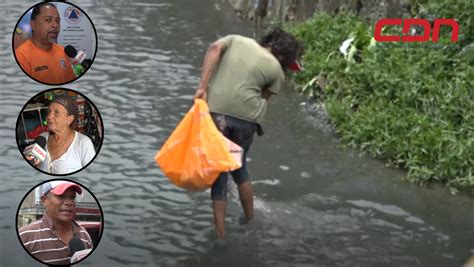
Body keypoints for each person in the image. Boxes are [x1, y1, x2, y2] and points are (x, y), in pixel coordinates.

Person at [194, 28, 303, 240]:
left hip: (219, 115)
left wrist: (202, 87)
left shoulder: (235, 40)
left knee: (219, 172)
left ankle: (220, 234)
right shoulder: (278, 73)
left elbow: (215, 48)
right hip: (247, 122)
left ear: (269, 41)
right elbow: (261, 98)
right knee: (239, 166)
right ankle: (250, 219)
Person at [18, 181, 93, 265]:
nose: (69, 203)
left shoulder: (84, 234)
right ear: (44, 200)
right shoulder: (25, 236)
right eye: (61, 196)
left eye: (72, 197)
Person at [27, 94, 96, 174]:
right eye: (49, 111)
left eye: (56, 113)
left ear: (69, 119)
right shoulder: (41, 138)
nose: (49, 116)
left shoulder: (84, 143)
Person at [14, 2, 76, 84]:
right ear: (33, 25)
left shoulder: (62, 51)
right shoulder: (21, 56)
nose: (55, 25)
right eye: (48, 20)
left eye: (57, 21)